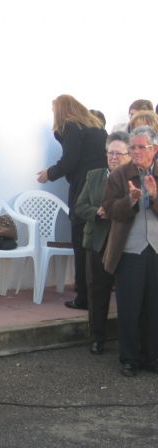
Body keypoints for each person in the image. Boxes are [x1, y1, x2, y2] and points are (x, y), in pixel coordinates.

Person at [37, 94, 107, 310]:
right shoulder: (96, 127)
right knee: (97, 243)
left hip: (83, 188)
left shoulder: (71, 127)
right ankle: (97, 294)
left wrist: (50, 173)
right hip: (100, 185)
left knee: (80, 241)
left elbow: (69, 161)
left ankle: (83, 297)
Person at [102, 126, 158, 377]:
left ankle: (152, 356)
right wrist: (131, 200)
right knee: (129, 307)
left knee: (154, 307)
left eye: (141, 147)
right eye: (132, 147)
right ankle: (129, 358)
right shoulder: (119, 175)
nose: (136, 152)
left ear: (154, 149)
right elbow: (110, 209)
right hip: (129, 250)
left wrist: (154, 197)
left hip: (155, 250)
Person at [74, 131, 131, 354]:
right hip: (97, 240)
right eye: (110, 153)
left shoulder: (133, 178)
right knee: (97, 290)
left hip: (123, 242)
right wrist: (96, 211)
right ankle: (97, 337)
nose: (114, 157)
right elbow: (79, 206)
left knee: (128, 292)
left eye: (119, 153)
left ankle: (130, 339)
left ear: (128, 156)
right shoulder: (94, 175)